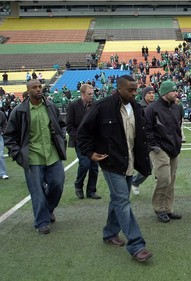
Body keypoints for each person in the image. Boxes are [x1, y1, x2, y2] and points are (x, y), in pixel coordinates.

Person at [77, 75, 153, 262]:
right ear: (119, 89)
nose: (135, 93)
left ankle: (109, 233)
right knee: (122, 201)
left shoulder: (136, 108)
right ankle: (136, 244)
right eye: (130, 90)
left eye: (136, 89)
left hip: (130, 161)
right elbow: (82, 133)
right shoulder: (102, 107)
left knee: (119, 200)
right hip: (111, 163)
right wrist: (90, 152)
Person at [4, 79, 66, 234]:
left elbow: (61, 125)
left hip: (52, 154)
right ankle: (41, 222)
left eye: (40, 86)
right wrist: (17, 154)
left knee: (58, 184)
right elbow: (9, 136)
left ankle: (48, 209)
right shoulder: (19, 111)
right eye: (35, 87)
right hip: (32, 157)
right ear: (28, 90)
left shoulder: (51, 106)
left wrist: (62, 139)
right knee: (37, 190)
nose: (38, 89)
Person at [145, 80, 182, 223]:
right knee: (163, 178)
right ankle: (159, 209)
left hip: (174, 149)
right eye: (173, 91)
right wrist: (154, 146)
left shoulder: (176, 108)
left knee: (171, 180)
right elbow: (147, 130)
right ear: (166, 92)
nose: (176, 93)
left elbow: (178, 127)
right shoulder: (152, 109)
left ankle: (168, 209)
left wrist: (178, 143)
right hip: (159, 149)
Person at [66, 84, 101, 200]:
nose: (92, 96)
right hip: (80, 142)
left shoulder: (95, 105)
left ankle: (91, 190)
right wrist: (79, 137)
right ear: (82, 94)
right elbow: (69, 126)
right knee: (85, 163)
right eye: (89, 94)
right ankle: (78, 186)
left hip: (94, 141)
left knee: (94, 167)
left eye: (92, 94)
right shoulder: (73, 106)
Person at [131, 86, 155, 195]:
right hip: (143, 141)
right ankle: (134, 182)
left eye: (153, 92)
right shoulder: (139, 107)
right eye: (149, 93)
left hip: (155, 140)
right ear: (144, 95)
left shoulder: (155, 106)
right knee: (147, 167)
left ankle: (160, 186)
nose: (152, 94)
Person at [0, 110, 9, 179]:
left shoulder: (1, 114)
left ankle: (3, 173)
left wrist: (3, 131)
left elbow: (5, 124)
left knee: (1, 155)